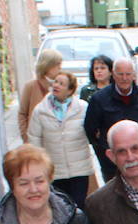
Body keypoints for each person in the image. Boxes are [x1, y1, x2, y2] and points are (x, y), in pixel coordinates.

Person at [27, 71, 94, 208]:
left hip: (79, 169)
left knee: (79, 207)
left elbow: (91, 133)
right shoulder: (41, 110)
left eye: (61, 84)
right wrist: (39, 166)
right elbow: (34, 139)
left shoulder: (83, 108)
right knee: (60, 208)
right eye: (56, 82)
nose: (56, 85)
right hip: (55, 171)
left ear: (70, 90)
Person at [84, 57, 138, 179]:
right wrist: (103, 151)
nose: (124, 78)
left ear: (134, 75)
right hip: (112, 163)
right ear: (113, 75)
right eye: (120, 74)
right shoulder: (99, 99)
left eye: (128, 74)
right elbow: (90, 129)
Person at [18, 49, 62, 141]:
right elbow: (22, 113)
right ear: (48, 66)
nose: (60, 67)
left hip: (58, 141)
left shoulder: (64, 84)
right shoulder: (30, 86)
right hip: (37, 139)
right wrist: (26, 137)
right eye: (57, 64)